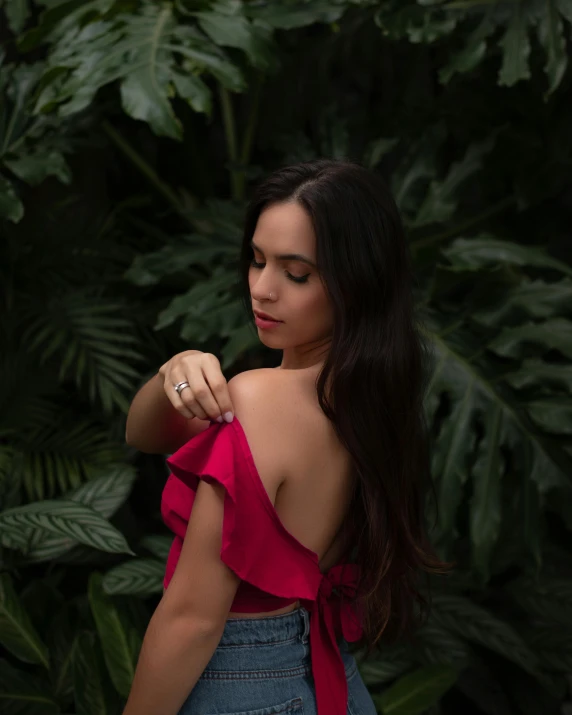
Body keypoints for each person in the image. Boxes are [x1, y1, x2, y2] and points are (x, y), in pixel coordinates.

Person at [123, 159, 450, 715]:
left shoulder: (260, 400)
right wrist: (173, 370)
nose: (262, 289)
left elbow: (193, 619)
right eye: (256, 261)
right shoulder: (372, 401)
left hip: (241, 686)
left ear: (357, 282)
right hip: (331, 684)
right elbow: (144, 432)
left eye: (296, 274)